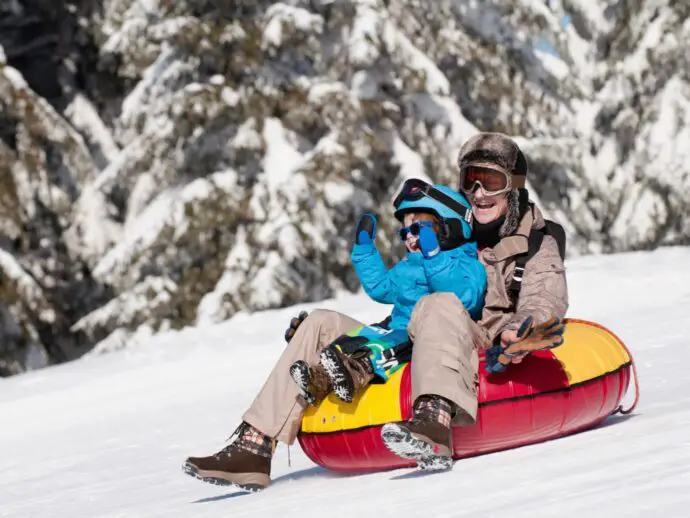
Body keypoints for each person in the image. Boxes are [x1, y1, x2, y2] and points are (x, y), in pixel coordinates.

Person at [183, 132, 568, 490]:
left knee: (438, 303)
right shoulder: (450, 229)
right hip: (414, 335)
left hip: (478, 340)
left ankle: (433, 423)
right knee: (319, 322)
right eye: (471, 180)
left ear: (514, 187)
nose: (480, 193)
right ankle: (254, 445)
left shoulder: (536, 242)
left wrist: (520, 330)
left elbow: (543, 298)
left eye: (492, 181)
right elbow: (393, 289)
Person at [289, 185, 486, 406]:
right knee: (357, 338)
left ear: (450, 227)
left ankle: (354, 374)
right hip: (393, 329)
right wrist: (365, 252)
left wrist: (435, 259)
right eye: (405, 232)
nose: (410, 238)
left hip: (422, 338)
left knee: (383, 347)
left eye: (420, 229)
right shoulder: (407, 267)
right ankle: (320, 378)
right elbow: (382, 287)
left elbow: (462, 297)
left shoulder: (468, 265)